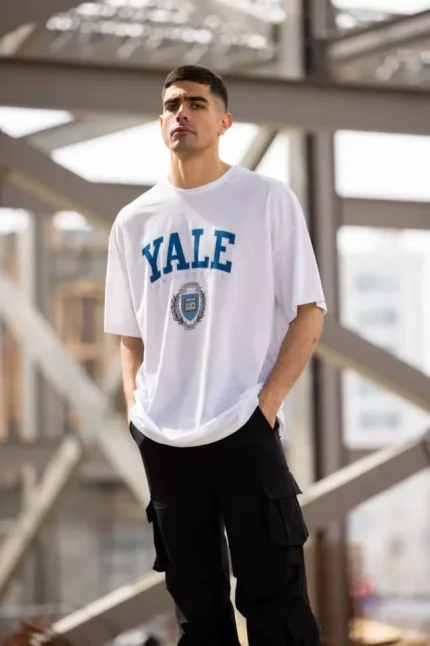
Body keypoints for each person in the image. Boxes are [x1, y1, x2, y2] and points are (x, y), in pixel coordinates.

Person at [104, 64, 326, 646]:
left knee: (277, 603)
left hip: (243, 421)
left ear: (224, 121)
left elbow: (309, 311)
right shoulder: (133, 221)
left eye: (197, 103)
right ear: (160, 122)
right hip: (165, 436)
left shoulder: (265, 199)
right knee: (196, 612)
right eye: (172, 105)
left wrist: (265, 407)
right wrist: (137, 415)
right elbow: (130, 336)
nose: (182, 113)